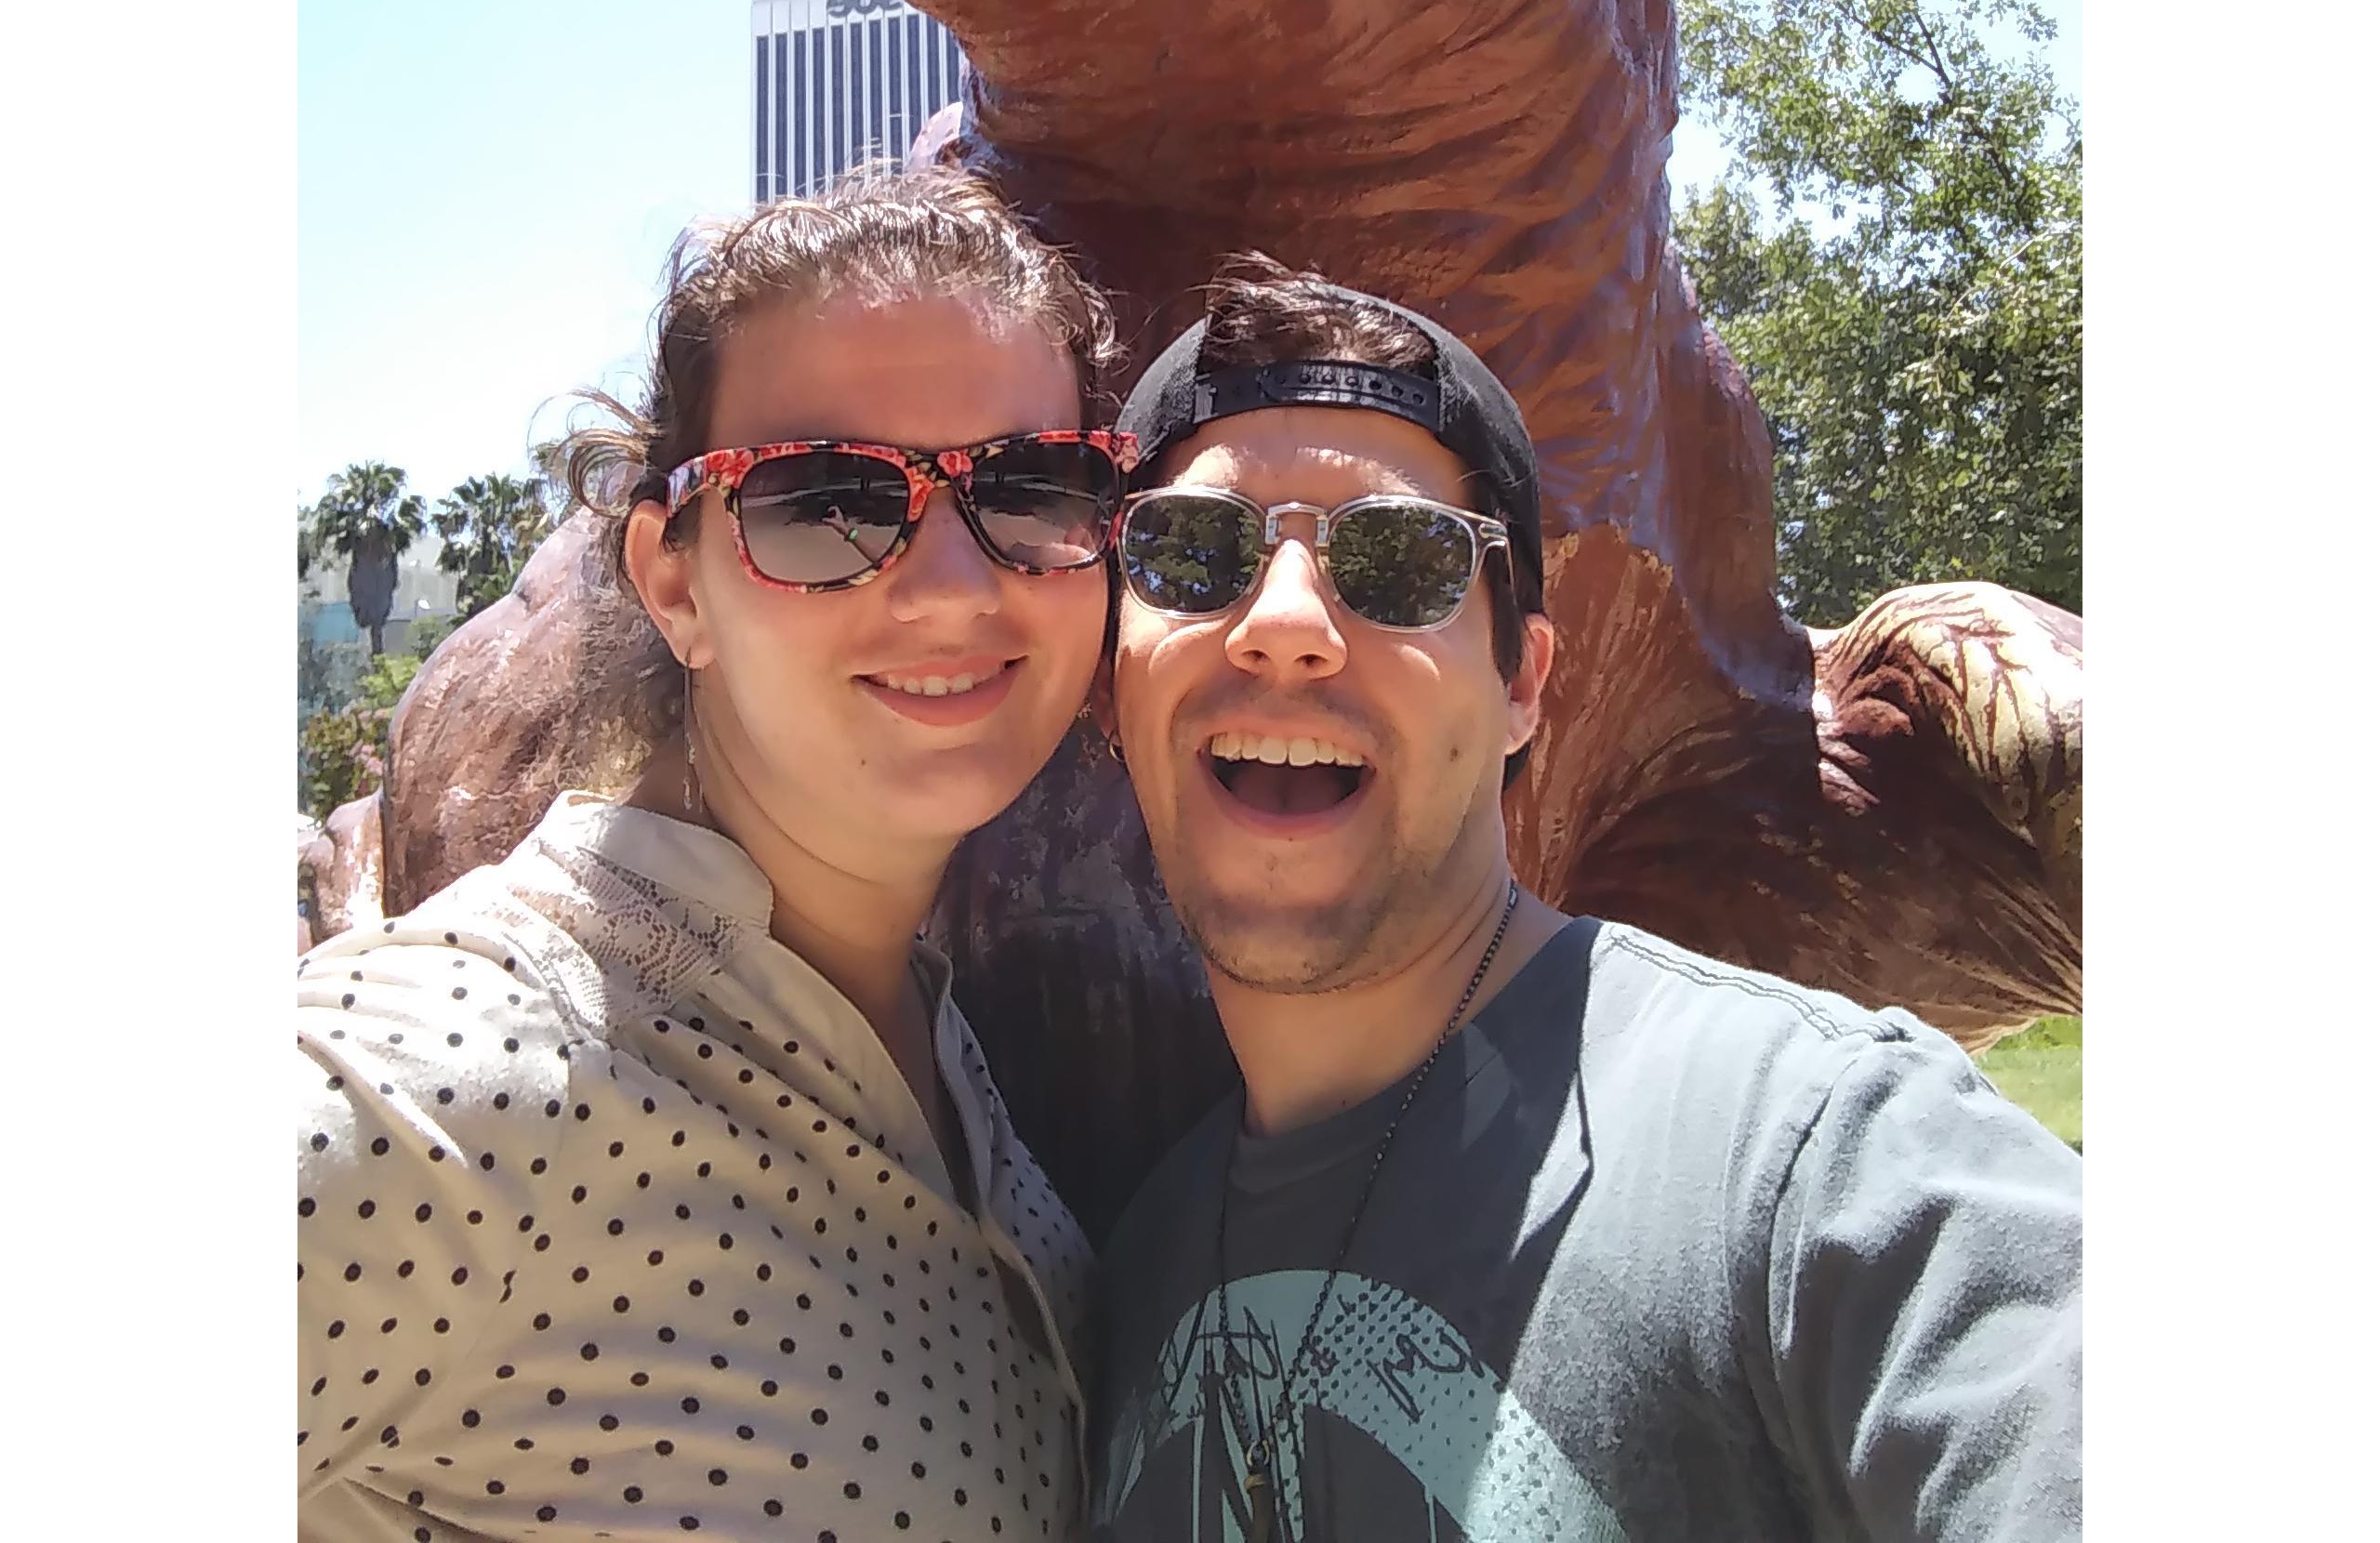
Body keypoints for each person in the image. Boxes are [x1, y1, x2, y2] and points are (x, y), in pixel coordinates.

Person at [1089, 261, 2082, 1542]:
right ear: (1110, 678)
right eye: (1193, 551)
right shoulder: (1128, 1267)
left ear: (1524, 687)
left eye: (1399, 561)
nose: (1285, 624)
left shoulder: (1815, 1158)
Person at [298, 169, 1136, 1543]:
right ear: (675, 580)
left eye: (1034, 485)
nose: (951, 586)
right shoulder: (456, 1065)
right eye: (822, 501)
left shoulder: (933, 1054)